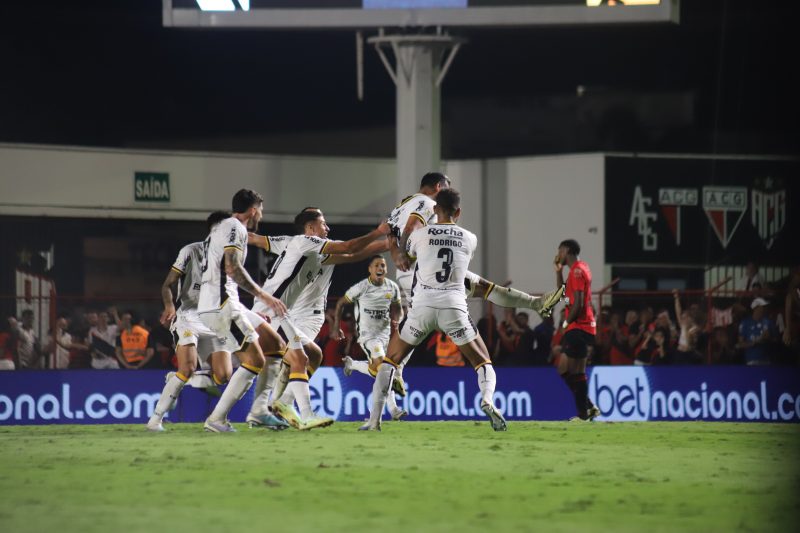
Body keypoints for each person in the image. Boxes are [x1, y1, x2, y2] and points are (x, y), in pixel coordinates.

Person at [361, 188, 507, 431]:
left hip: (422, 306)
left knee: (390, 361)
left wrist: (396, 246)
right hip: (453, 307)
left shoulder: (420, 235)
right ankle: (487, 400)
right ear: (458, 212)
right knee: (483, 361)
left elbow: (406, 256)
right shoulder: (470, 238)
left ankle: (374, 421)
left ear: (435, 209)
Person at [246, 207, 390, 429]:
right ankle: (285, 410)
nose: (328, 228)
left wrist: (386, 244)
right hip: (276, 312)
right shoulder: (304, 243)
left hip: (288, 313)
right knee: (289, 360)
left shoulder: (298, 244)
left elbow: (353, 254)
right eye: (323, 223)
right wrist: (380, 233)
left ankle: (274, 407)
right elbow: (350, 249)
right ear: (311, 228)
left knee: (306, 356)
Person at [196, 189, 288, 433]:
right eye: (261, 211)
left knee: (276, 345)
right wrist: (264, 296)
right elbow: (232, 267)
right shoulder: (235, 227)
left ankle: (259, 411)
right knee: (255, 360)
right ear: (253, 211)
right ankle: (217, 419)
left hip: (225, 302)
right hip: (221, 304)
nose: (261, 216)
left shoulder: (220, 228)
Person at [147, 211, 242, 432]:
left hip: (214, 320)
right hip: (188, 317)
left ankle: (181, 377)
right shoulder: (190, 251)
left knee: (223, 376)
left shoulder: (230, 257)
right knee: (187, 367)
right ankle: (155, 420)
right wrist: (169, 306)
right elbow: (167, 284)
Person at [338, 255, 408, 420]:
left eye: (383, 265)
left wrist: (397, 320)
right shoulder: (361, 287)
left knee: (381, 370)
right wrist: (336, 327)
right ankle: (393, 409)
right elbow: (341, 303)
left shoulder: (392, 287)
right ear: (370, 269)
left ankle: (353, 364)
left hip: (385, 335)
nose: (380, 268)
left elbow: (398, 309)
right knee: (384, 368)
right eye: (376, 265)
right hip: (368, 335)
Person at [554, 239, 600, 421]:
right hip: (578, 327)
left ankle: (584, 415)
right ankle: (588, 407)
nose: (558, 254)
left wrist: (566, 323)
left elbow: (579, 303)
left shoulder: (577, 271)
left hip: (579, 327)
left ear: (567, 250)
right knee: (565, 370)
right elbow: (564, 297)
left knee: (576, 372)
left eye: (560, 250)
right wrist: (558, 272)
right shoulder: (576, 270)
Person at [737, 297, 777, 365]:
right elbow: (740, 344)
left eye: (765, 307)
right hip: (751, 361)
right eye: (762, 307)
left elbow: (776, 340)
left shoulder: (769, 322)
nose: (764, 309)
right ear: (756, 308)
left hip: (767, 361)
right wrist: (755, 342)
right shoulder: (745, 323)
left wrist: (768, 338)